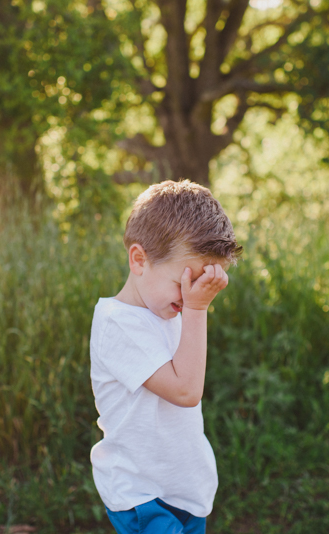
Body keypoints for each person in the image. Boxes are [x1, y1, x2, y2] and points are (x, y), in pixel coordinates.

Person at [89, 180, 242, 534]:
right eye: (184, 283)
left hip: (183, 489)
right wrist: (197, 308)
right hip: (142, 495)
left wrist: (191, 307)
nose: (191, 296)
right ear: (139, 259)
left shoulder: (170, 311)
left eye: (201, 287)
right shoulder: (119, 325)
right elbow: (186, 392)